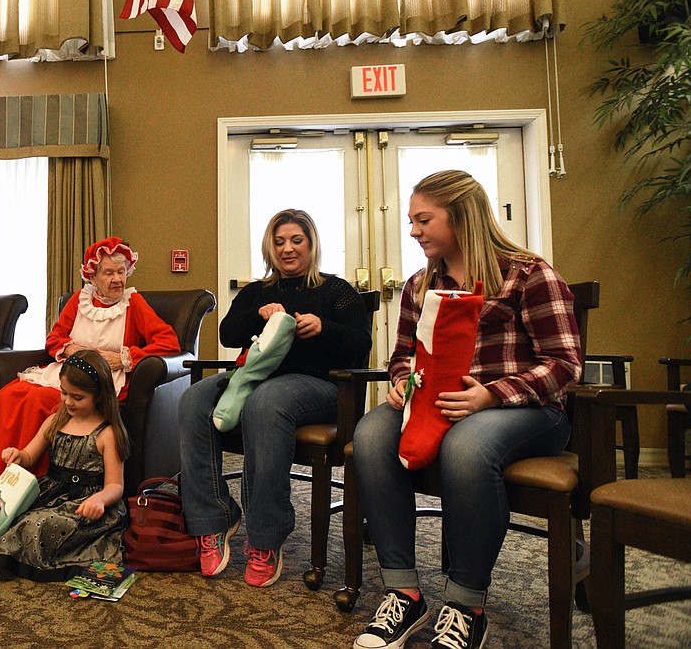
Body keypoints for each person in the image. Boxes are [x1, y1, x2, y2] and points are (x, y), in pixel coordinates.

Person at [351, 171, 582, 649]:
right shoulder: (419, 286)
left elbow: (564, 365)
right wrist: (400, 384)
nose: (413, 231)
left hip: (529, 412)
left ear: (460, 217)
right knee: (371, 434)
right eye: (411, 220)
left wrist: (493, 394)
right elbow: (401, 356)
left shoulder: (528, 273)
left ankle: (466, 605)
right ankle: (404, 592)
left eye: (423, 219)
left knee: (466, 445)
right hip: (437, 403)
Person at [179, 209, 372, 588]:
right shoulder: (257, 291)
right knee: (193, 401)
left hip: (322, 386)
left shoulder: (337, 291)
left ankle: (265, 538)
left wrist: (324, 327)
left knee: (265, 402)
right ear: (270, 246)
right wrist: (259, 315)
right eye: (279, 241)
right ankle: (213, 520)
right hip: (257, 379)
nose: (287, 249)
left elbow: (361, 341)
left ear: (311, 243)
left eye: (296, 240)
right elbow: (229, 333)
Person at [0, 236, 180, 487]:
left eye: (121, 271)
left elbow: (168, 342)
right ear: (93, 277)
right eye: (108, 273)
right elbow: (54, 338)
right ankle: (2, 479)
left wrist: (124, 358)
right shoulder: (79, 300)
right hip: (67, 372)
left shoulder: (133, 303)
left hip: (104, 380)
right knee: (9, 397)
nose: (117, 279)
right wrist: (72, 349)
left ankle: (34, 483)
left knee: (43, 402)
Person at [0, 350, 128, 581]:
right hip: (49, 490)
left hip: (82, 503)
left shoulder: (107, 433)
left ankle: (2, 559)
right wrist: (17, 455)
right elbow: (28, 456)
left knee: (35, 525)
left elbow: (115, 485)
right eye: (64, 393)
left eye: (77, 397)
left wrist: (100, 500)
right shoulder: (56, 420)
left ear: (99, 395)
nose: (68, 402)